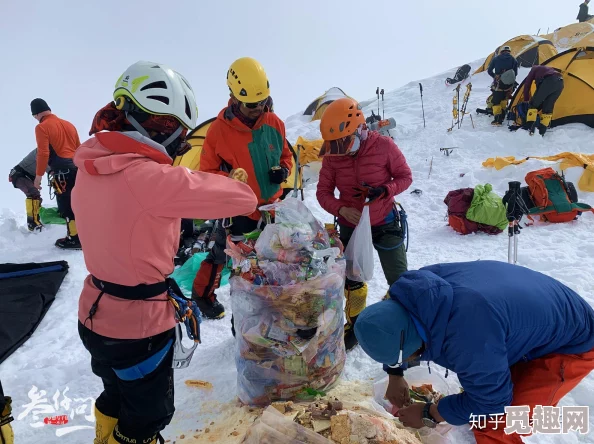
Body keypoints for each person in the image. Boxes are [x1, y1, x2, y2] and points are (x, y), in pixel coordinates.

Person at [72, 60, 258, 444]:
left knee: (115, 392)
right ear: (153, 126)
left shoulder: (89, 168)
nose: (177, 141)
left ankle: (104, 437)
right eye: (172, 128)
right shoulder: (152, 178)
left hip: (94, 313)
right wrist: (229, 180)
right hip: (137, 327)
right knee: (149, 415)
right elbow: (244, 198)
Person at [354, 260, 594, 444]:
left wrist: (430, 412)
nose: (409, 360)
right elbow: (395, 327)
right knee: (483, 387)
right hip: (529, 314)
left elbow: (493, 403)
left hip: (572, 343)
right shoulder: (415, 293)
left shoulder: (469, 334)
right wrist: (395, 374)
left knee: (497, 420)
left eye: (406, 357)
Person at [190, 57, 293, 321]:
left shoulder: (274, 123)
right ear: (234, 98)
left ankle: (268, 311)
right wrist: (229, 179)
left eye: (263, 102)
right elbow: (206, 174)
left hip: (272, 209)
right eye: (251, 104)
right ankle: (223, 308)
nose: (258, 108)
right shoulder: (218, 132)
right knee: (230, 261)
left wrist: (284, 170)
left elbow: (285, 156)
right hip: (240, 212)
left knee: (272, 262)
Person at [316, 97, 413, 352]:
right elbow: (323, 193)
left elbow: (405, 177)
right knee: (352, 279)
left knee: (399, 278)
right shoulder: (333, 156)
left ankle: (403, 324)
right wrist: (342, 208)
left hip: (385, 220)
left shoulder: (384, 146)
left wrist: (385, 189)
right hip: (351, 224)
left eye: (345, 143)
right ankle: (356, 325)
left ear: (358, 129)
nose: (342, 150)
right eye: (337, 146)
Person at [30, 98, 82, 249]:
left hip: (62, 171)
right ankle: (85, 235)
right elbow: (79, 148)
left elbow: (43, 153)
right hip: (77, 167)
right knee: (78, 202)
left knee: (66, 205)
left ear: (36, 114)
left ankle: (74, 239)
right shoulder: (69, 124)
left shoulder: (42, 127)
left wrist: (38, 177)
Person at [8, 148, 46, 232]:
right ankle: (33, 223)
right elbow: (44, 164)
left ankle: (35, 221)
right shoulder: (41, 151)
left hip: (26, 176)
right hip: (20, 175)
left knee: (36, 196)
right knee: (33, 195)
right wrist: (53, 171)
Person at [522, 65, 564, 136]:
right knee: (548, 107)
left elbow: (527, 84)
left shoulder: (534, 69)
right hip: (560, 83)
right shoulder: (548, 69)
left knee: (533, 104)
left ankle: (530, 130)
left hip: (549, 81)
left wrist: (526, 99)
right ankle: (542, 132)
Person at [487, 46, 519, 126]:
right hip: (509, 84)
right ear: (509, 51)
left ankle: (497, 120)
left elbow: (489, 70)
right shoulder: (513, 60)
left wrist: (495, 76)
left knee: (496, 101)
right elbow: (515, 73)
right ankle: (503, 115)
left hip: (498, 83)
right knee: (504, 99)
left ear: (501, 51)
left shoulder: (496, 59)